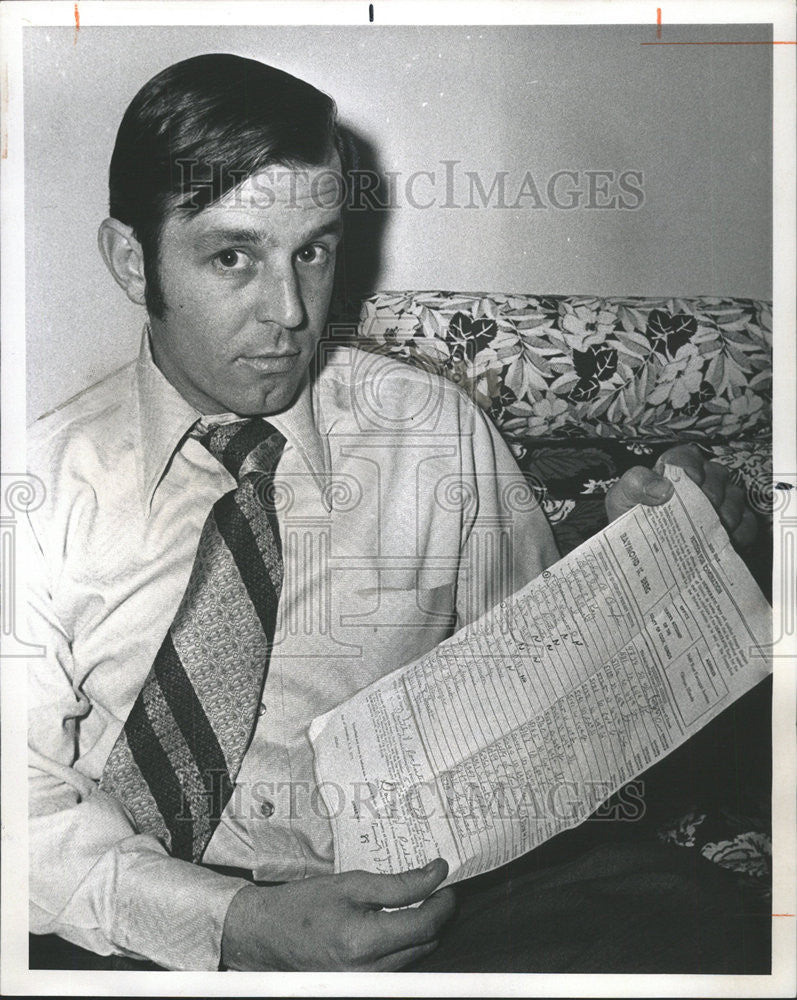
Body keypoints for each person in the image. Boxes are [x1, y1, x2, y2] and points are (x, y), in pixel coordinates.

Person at [26, 53, 759, 973]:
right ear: (133, 261)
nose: (289, 311)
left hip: (423, 902)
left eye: (314, 250)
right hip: (142, 918)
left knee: (692, 919)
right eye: (231, 256)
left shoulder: (433, 427)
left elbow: (534, 677)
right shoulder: (41, 488)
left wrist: (643, 547)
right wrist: (235, 926)